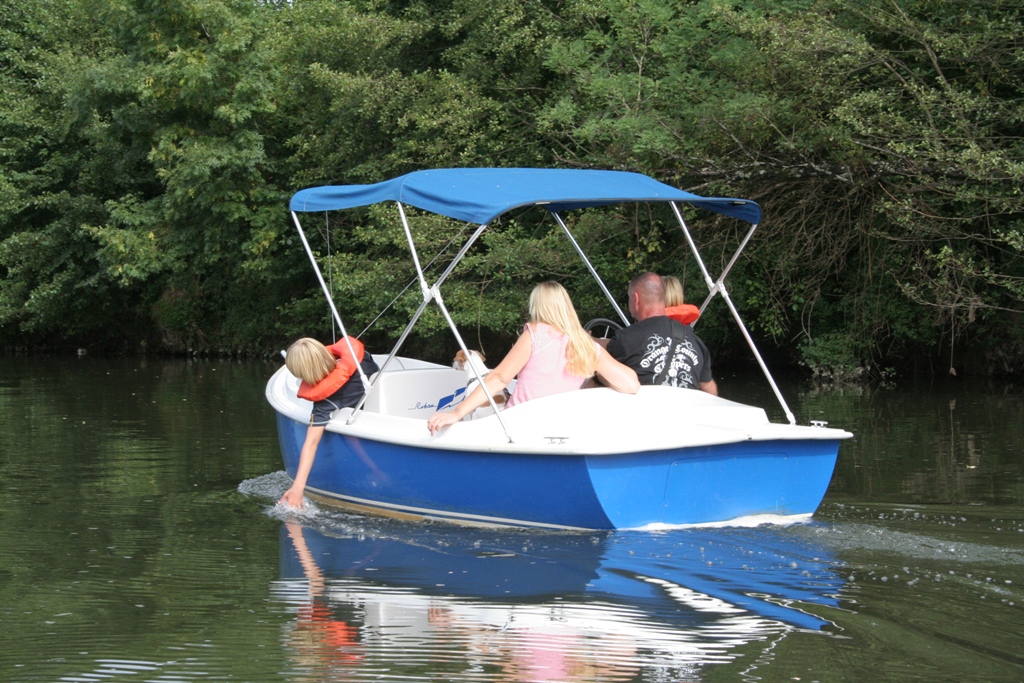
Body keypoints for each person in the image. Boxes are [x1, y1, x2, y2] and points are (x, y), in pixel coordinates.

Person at [427, 281, 639, 435]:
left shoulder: (535, 333)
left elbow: (499, 378)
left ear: (537, 306)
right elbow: (631, 384)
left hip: (519, 426)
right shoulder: (586, 345)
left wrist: (456, 413)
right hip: (558, 431)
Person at [279, 337, 380, 507]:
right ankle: (377, 470)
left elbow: (311, 443)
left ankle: (374, 469)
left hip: (359, 427)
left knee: (346, 435)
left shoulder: (326, 404)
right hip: (374, 413)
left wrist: (298, 487)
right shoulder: (364, 362)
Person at [606, 272, 718, 395]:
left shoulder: (625, 339)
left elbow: (602, 369)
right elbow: (709, 388)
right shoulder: (697, 342)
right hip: (686, 412)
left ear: (635, 299)